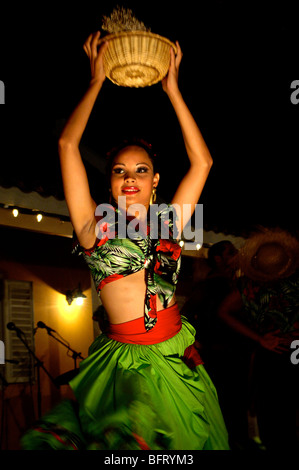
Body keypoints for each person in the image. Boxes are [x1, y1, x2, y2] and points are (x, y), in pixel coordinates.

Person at [21, 31, 229, 450]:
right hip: (125, 362)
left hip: (174, 354)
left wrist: (173, 90)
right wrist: (96, 80)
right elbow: (67, 144)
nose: (129, 177)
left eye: (140, 169)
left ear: (154, 181)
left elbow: (203, 161)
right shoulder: (92, 227)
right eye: (119, 170)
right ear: (111, 182)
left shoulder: (171, 221)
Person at [218, 227, 299, 450]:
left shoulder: (248, 286)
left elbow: (223, 311)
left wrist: (260, 339)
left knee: (270, 412)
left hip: (270, 351)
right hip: (291, 351)